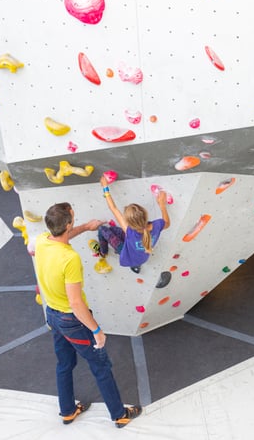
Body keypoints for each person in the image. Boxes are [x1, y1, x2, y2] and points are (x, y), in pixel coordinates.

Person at [34, 203, 142, 428]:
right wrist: (96, 330)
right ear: (68, 224)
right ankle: (119, 414)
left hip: (52, 315)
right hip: (72, 321)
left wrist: (85, 227)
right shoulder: (70, 258)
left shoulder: (43, 241)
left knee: (64, 364)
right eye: (73, 217)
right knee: (101, 366)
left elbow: (62, 236)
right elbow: (75, 303)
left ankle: (67, 411)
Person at [93, 176, 170, 273]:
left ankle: (103, 252)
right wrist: (162, 205)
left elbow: (113, 208)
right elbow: (167, 223)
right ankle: (136, 265)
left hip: (125, 253)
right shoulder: (157, 225)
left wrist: (105, 187)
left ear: (129, 223)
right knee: (112, 230)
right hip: (142, 258)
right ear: (145, 214)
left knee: (102, 229)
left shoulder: (129, 231)